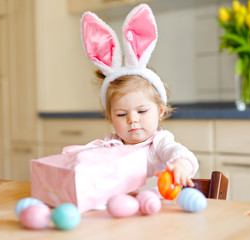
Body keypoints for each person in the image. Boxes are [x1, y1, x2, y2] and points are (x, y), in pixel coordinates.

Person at [81, 4, 198, 187]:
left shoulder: (158, 144)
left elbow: (181, 154)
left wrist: (180, 166)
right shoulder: (110, 145)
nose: (132, 120)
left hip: (158, 210)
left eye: (142, 111)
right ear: (110, 117)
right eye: (121, 114)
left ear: (160, 111)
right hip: (121, 211)